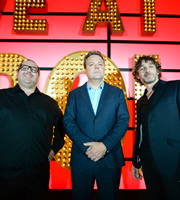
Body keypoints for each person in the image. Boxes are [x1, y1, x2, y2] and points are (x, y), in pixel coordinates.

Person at [63, 51, 129, 200]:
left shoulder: (117, 93)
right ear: (85, 69)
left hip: (110, 158)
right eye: (91, 64)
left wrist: (104, 145)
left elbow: (123, 121)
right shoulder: (74, 94)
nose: (96, 67)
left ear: (104, 68)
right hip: (82, 157)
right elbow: (68, 122)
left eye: (100, 64)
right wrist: (88, 147)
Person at [0, 59, 64, 200]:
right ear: (17, 73)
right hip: (5, 175)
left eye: (33, 69)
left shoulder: (50, 104)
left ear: (38, 76)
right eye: (25, 68)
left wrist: (53, 150)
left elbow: (61, 131)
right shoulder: (2, 97)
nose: (29, 71)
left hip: (38, 176)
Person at [131, 56, 180, 200]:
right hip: (147, 163)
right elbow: (140, 133)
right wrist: (136, 161)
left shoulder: (175, 87)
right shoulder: (140, 102)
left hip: (172, 161)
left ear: (158, 71)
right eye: (142, 68)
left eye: (150, 66)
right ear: (138, 76)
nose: (147, 70)